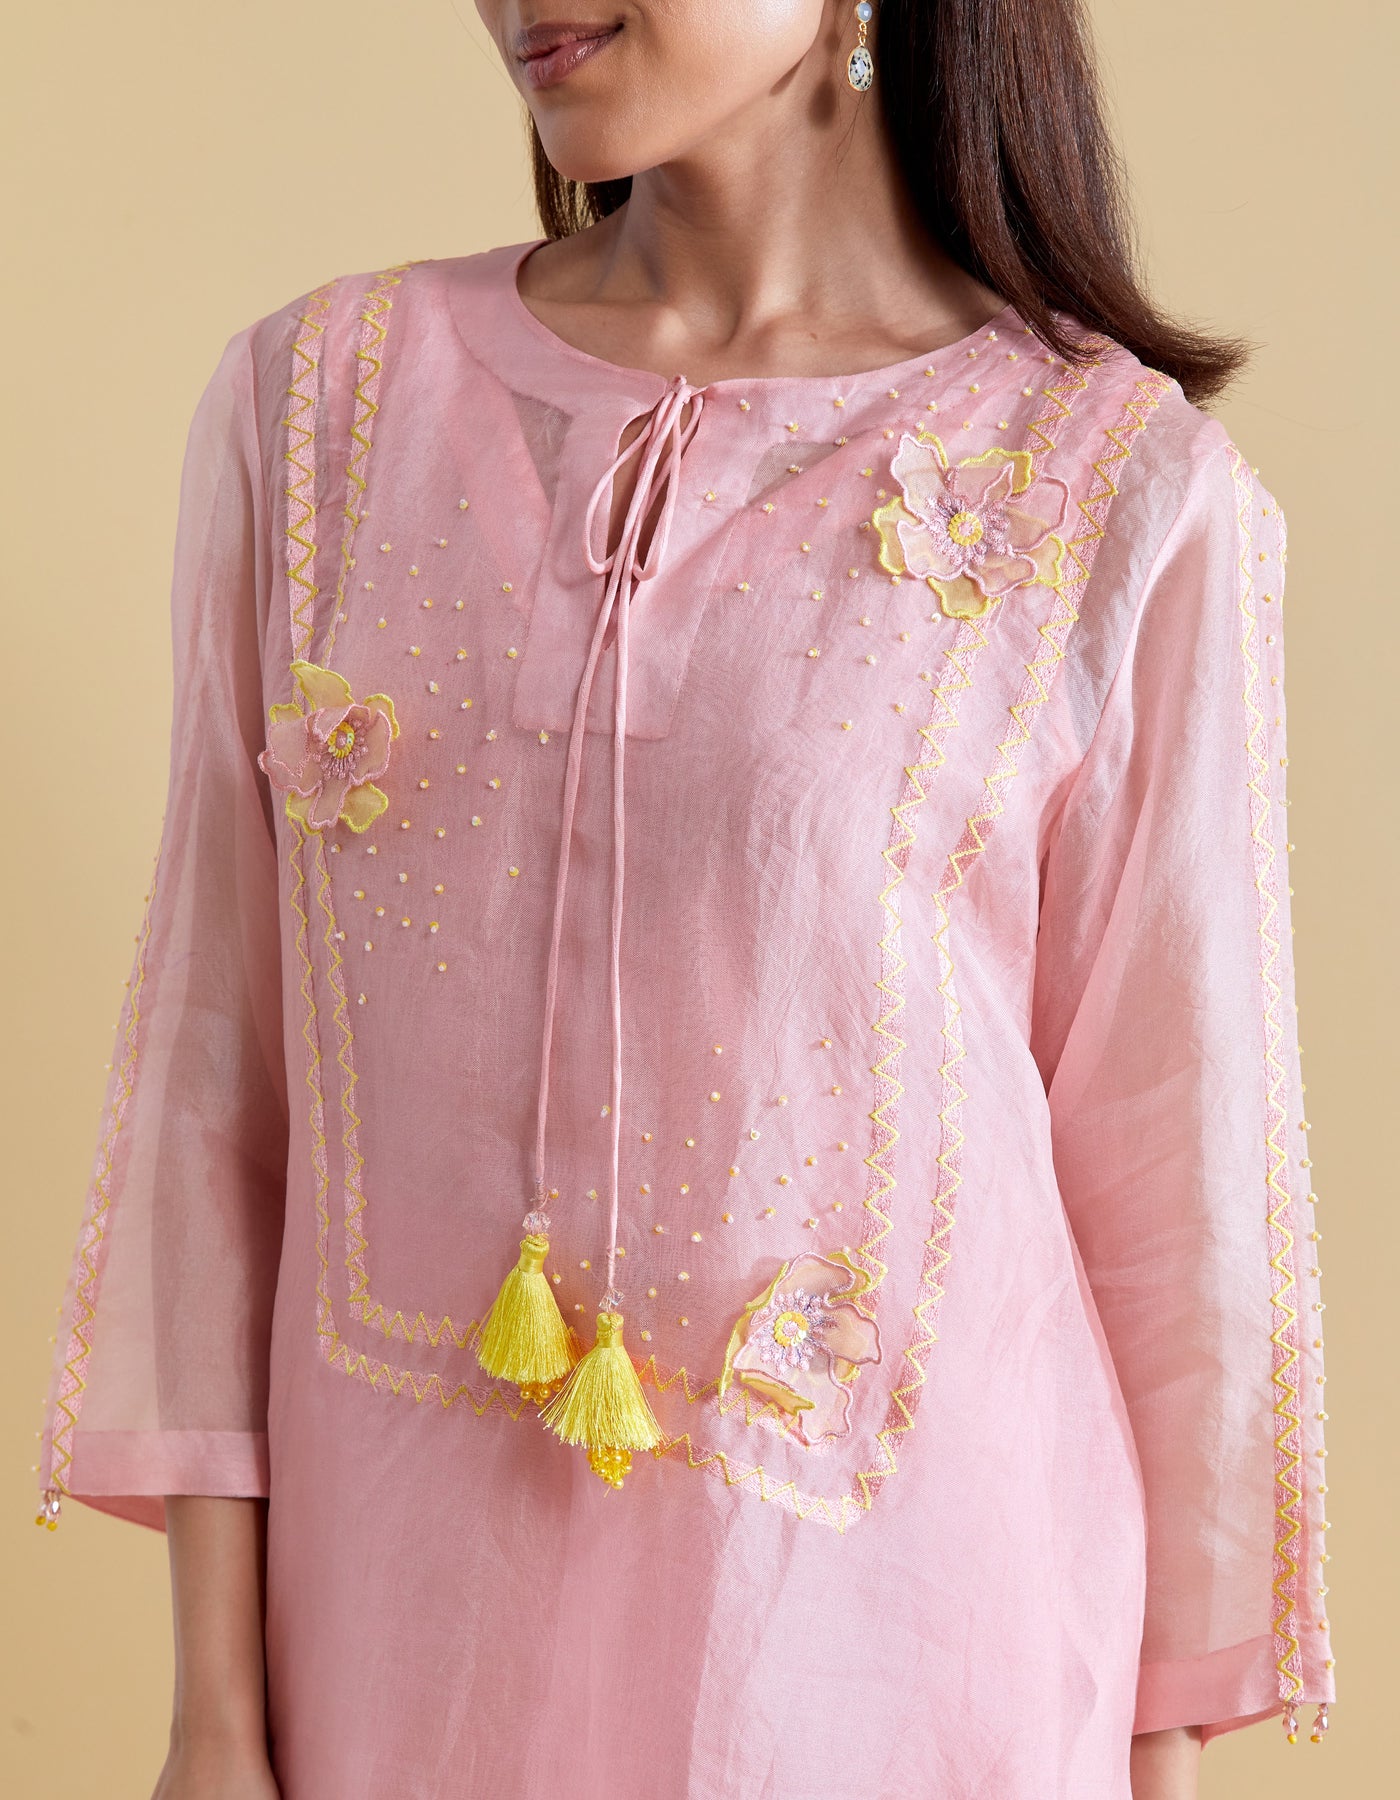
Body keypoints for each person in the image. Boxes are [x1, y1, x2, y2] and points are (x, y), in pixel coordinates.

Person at [37, 3, 1336, 1796]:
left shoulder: (1115, 495)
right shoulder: (322, 410)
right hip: (401, 1672)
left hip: (908, 1685)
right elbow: (214, 1081)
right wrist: (213, 1719)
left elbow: (1177, 1211)